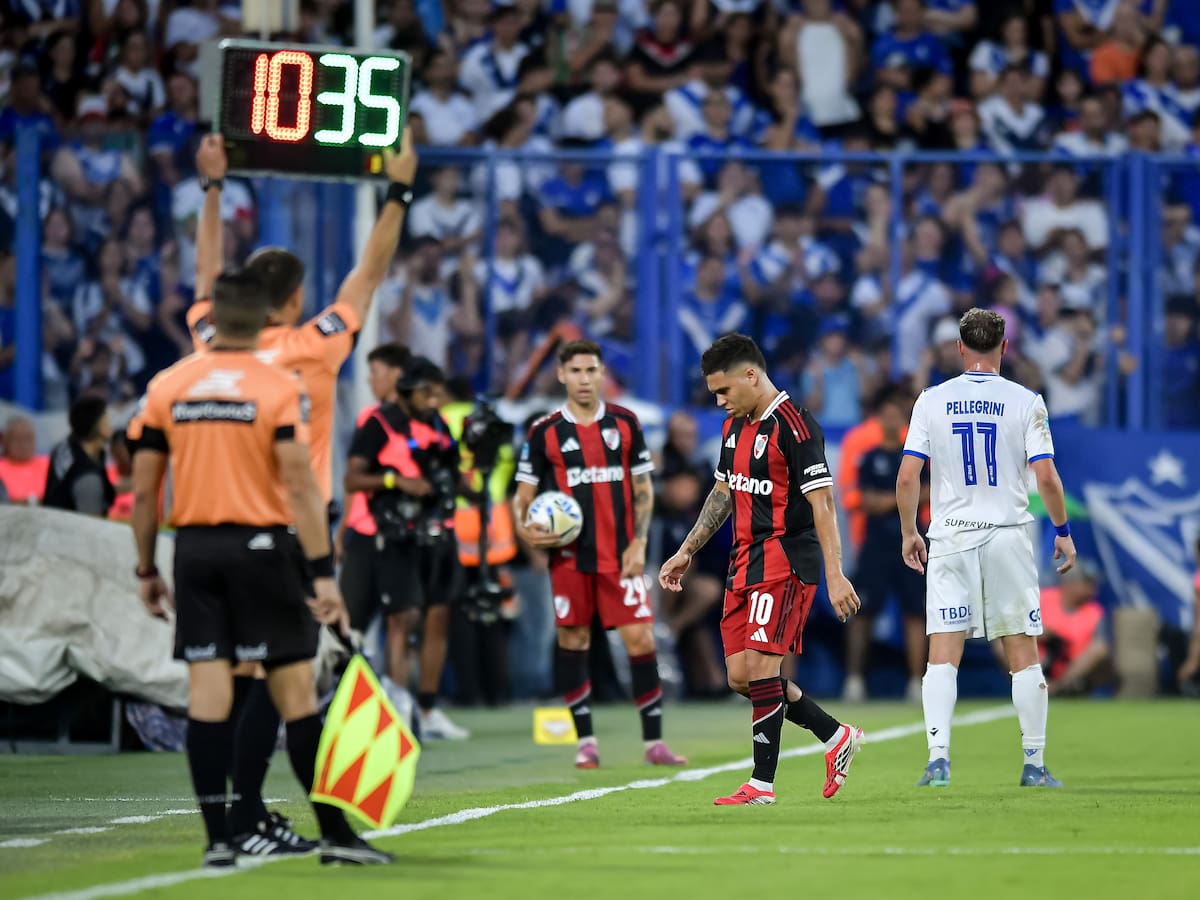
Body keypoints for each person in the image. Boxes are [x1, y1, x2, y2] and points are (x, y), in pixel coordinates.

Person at [186, 131, 418, 855]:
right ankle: (270, 818)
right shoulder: (315, 344)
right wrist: (398, 193)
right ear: (293, 299)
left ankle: (243, 821)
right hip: (292, 532)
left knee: (244, 676)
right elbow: (367, 276)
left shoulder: (208, 343)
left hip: (212, 531)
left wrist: (212, 188)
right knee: (285, 680)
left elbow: (201, 281)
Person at [127, 267, 392, 866]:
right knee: (295, 696)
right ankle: (337, 837)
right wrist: (323, 575)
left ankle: (220, 841)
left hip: (193, 551)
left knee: (208, 696)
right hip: (263, 550)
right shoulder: (276, 389)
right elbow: (300, 486)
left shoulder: (167, 386)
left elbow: (145, 492)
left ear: (212, 317)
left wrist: (146, 568)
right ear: (268, 316)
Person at [659, 333, 864, 806]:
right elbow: (723, 492)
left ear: (751, 375)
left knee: (764, 666)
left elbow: (823, 503)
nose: (719, 400)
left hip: (786, 558)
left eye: (724, 390)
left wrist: (835, 575)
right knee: (741, 677)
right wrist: (687, 549)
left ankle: (761, 784)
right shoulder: (736, 426)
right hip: (743, 558)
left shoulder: (795, 425)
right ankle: (836, 737)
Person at [896, 308, 1076, 790]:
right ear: (1004, 348)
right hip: (1008, 534)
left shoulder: (932, 400)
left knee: (942, 655)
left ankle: (937, 762)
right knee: (1022, 651)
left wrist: (909, 531)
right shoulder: (1025, 401)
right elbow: (1046, 476)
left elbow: (909, 474)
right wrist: (1062, 529)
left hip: (951, 535)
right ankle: (1034, 766)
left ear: (958, 348)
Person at [513, 339, 687, 770]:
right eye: (576, 371)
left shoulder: (626, 424)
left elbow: (644, 488)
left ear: (602, 373)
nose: (585, 379)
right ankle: (585, 743)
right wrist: (528, 529)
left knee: (640, 639)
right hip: (570, 557)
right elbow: (523, 496)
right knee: (574, 639)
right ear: (561, 375)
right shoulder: (544, 432)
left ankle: (654, 744)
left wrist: (639, 543)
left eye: (592, 370)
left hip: (620, 555)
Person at [342, 357, 471, 740]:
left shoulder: (438, 423)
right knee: (398, 619)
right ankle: (393, 710)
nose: (434, 401)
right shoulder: (378, 424)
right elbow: (352, 479)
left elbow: (450, 477)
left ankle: (426, 711)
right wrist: (395, 481)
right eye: (425, 393)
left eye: (437, 393)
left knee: (436, 619)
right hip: (393, 537)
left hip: (438, 534)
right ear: (406, 391)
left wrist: (473, 476)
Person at [844, 386, 928, 704]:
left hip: (913, 542)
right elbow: (867, 501)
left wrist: (890, 500)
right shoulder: (870, 458)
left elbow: (930, 493)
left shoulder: (916, 457)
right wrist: (906, 497)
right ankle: (854, 681)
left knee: (915, 613)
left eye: (898, 415)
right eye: (887, 415)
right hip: (876, 545)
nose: (893, 421)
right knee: (862, 613)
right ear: (880, 419)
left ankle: (915, 683)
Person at [1038, 559, 1112, 696]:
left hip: (1072, 667)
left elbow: (1100, 647)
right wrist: (1041, 633)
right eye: (1087, 583)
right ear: (1070, 583)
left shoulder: (1095, 612)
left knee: (1099, 649)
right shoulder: (1042, 598)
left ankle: (1058, 689)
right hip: (1039, 661)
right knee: (1004, 643)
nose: (1093, 588)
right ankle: (1030, 686)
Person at [42, 394, 115, 517]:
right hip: (69, 532)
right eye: (107, 419)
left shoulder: (64, 447)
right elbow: (92, 527)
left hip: (50, 525)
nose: (110, 425)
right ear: (99, 426)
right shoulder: (87, 478)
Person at [0, 416, 50, 504]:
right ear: (5, 440)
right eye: (18, 439)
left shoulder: (48, 463)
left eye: (28, 438)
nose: (24, 444)